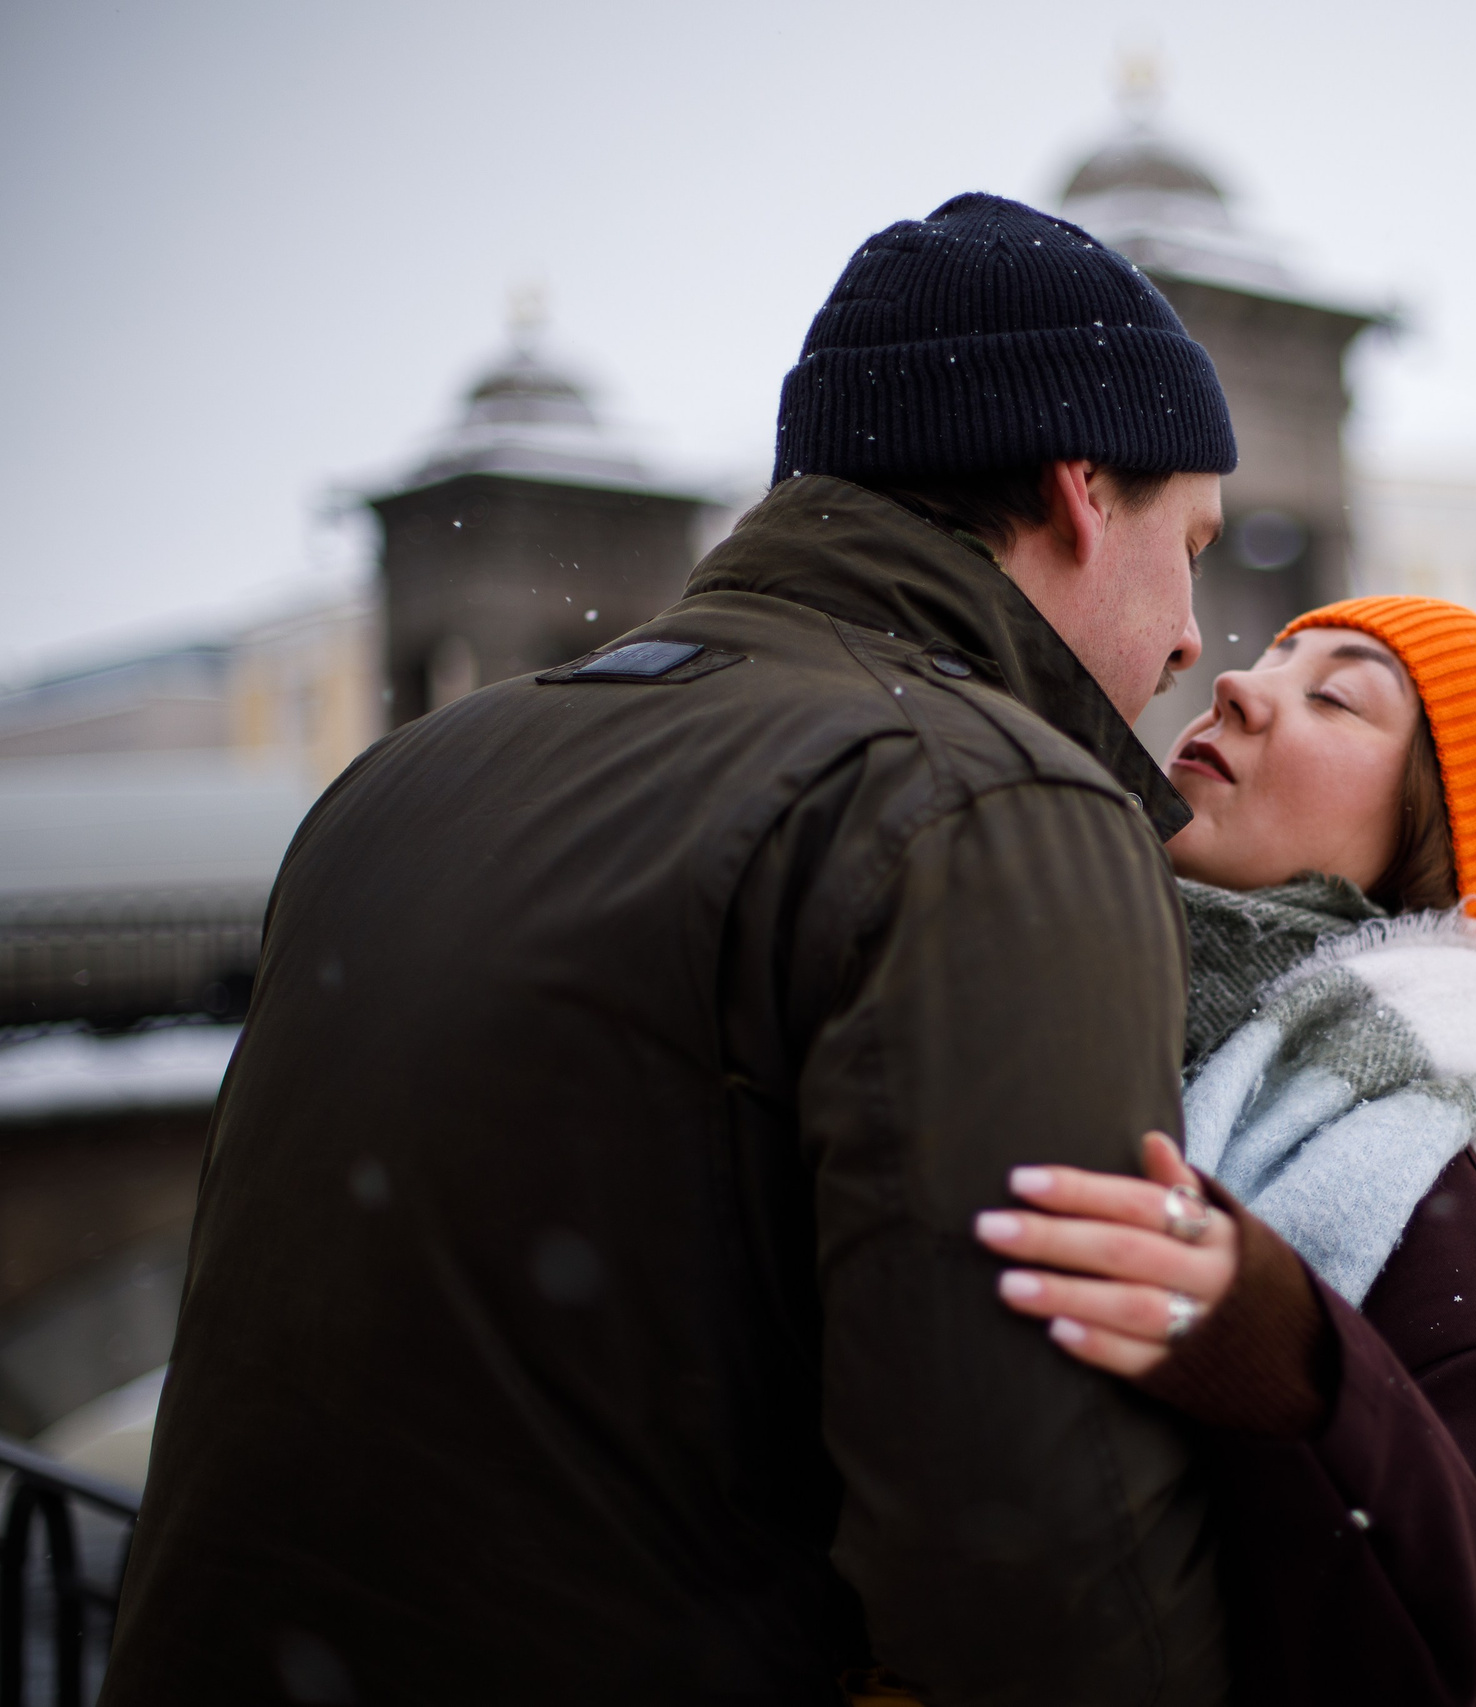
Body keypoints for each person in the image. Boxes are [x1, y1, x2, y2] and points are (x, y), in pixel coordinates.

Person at [106, 193, 1264, 1706]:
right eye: (1191, 544)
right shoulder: (991, 805)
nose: (1193, 636)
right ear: (1078, 493)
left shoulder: (402, 780)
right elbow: (1033, 1570)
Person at [976, 597, 1476, 1705]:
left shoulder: (1441, 1228)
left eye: (1332, 696)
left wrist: (1292, 1366)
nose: (1237, 686)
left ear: (1432, 844)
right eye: (1272, 660)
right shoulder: (1066, 1021)